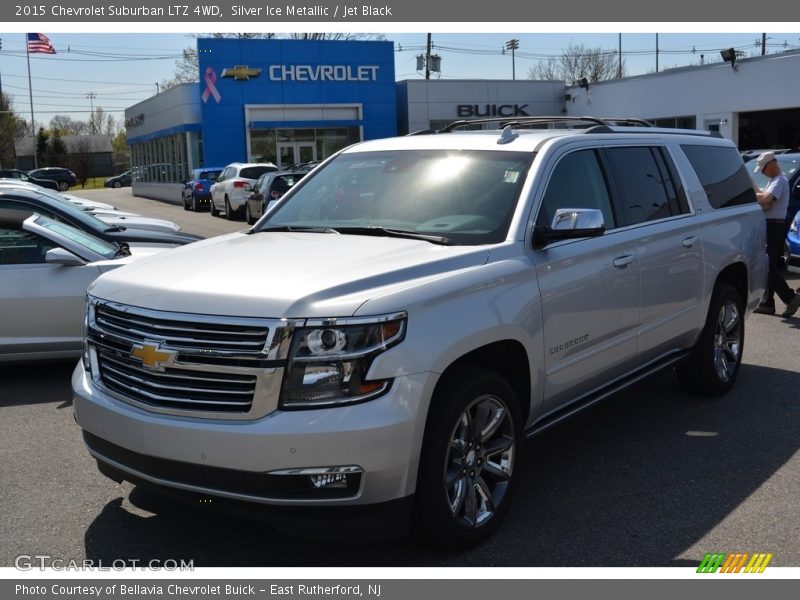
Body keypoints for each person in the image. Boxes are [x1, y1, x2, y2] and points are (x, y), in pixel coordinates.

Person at [752, 151, 800, 316]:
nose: (762, 172)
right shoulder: (774, 181)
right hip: (771, 224)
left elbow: (766, 200)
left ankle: (790, 297)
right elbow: (767, 203)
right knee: (769, 265)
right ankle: (767, 302)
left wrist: (753, 194)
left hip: (774, 226)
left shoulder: (780, 181)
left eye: (763, 169)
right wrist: (752, 185)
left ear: (771, 164)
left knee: (768, 267)